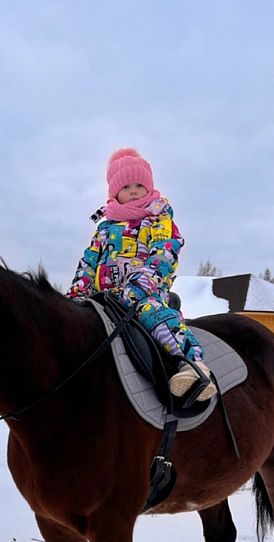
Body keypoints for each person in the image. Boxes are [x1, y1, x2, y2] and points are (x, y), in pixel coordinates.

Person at [66, 147, 216, 401]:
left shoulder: (157, 219)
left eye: (139, 185)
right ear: (115, 193)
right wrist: (79, 290)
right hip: (104, 296)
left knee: (153, 314)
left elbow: (164, 253)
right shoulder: (105, 228)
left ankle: (191, 365)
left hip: (144, 291)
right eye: (126, 187)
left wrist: (141, 284)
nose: (133, 190)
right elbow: (89, 260)